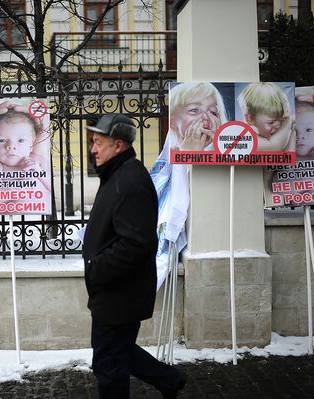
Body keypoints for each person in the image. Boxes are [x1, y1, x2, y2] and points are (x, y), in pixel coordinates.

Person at [83, 113, 186, 399]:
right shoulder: (117, 174)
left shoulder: (130, 181)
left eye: (98, 143)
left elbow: (136, 243)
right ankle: (169, 379)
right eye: (93, 142)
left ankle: (170, 379)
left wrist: (97, 267)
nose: (93, 149)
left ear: (118, 145)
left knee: (109, 365)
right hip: (113, 291)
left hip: (119, 293)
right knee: (118, 352)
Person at [168, 81, 228, 151]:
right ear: (172, 122)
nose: (206, 117)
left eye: (213, 112)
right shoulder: (167, 157)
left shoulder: (226, 155)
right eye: (194, 110)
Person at [237, 82, 294, 151]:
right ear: (250, 119)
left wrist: (293, 133)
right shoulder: (246, 138)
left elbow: (289, 155)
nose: (278, 125)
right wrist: (289, 120)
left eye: (282, 120)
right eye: (271, 122)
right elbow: (273, 147)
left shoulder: (279, 134)